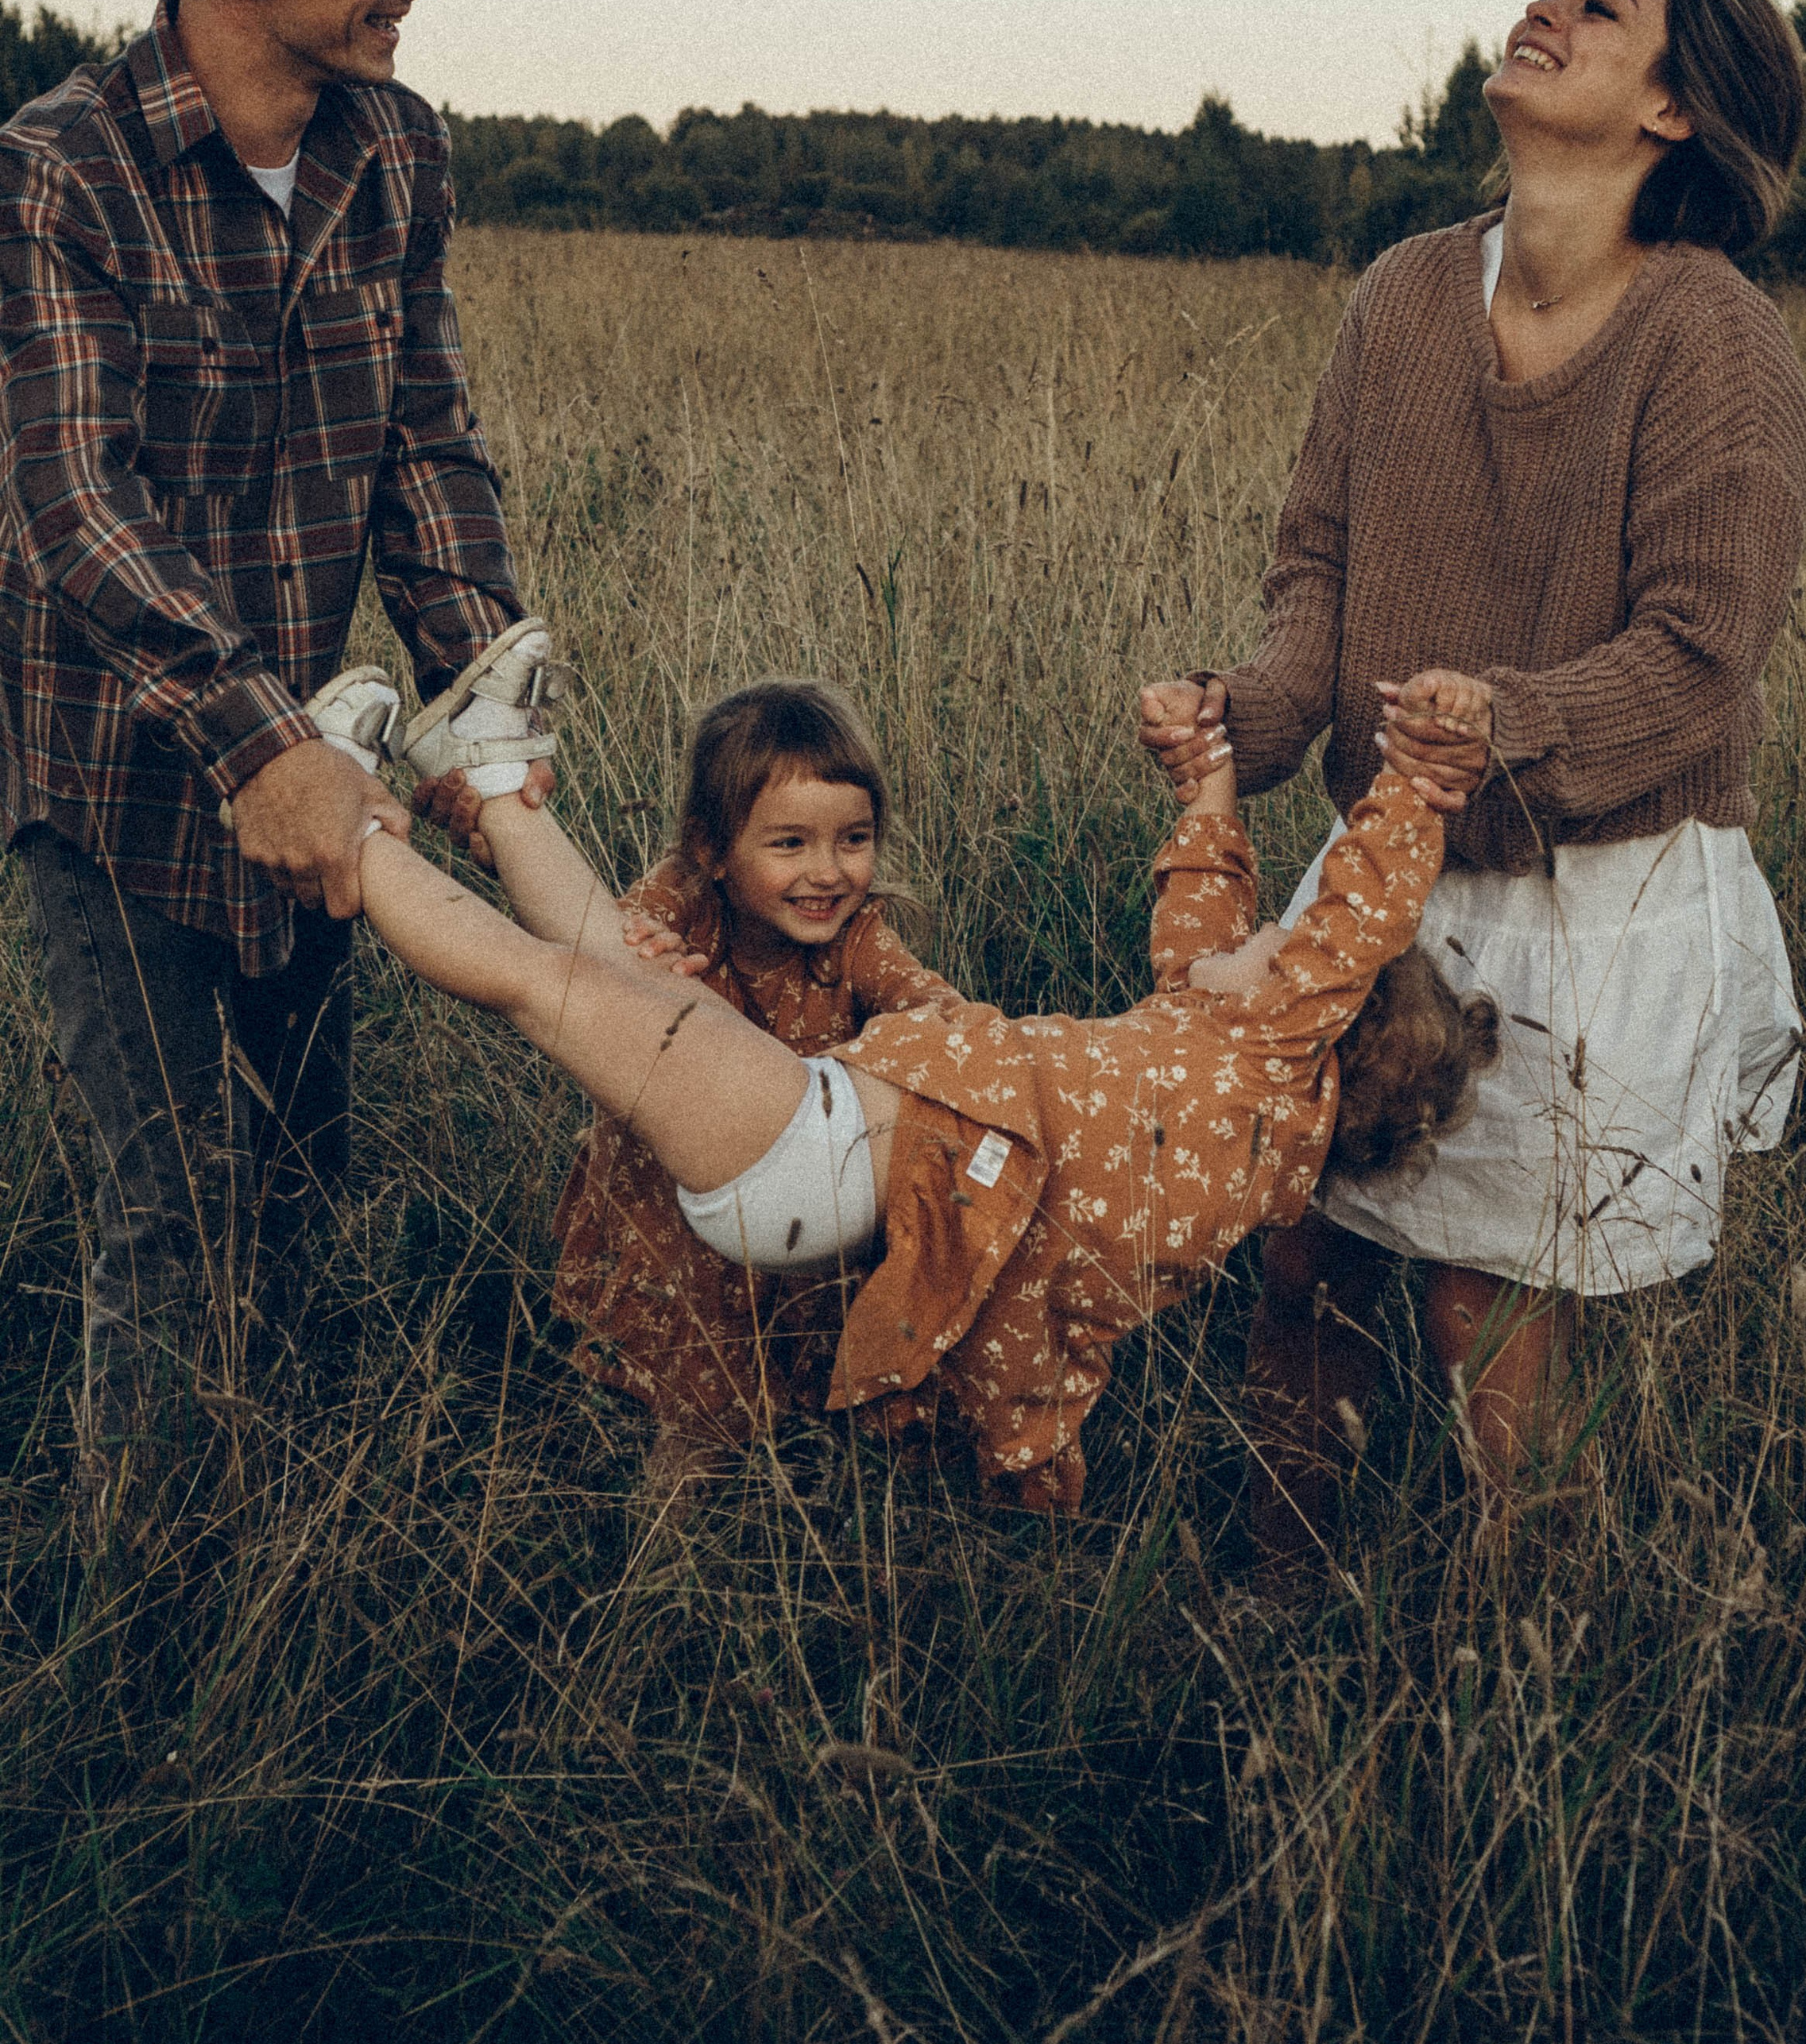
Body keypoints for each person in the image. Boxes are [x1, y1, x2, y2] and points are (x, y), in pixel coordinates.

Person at [1140, 0, 1806, 1578]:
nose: (1545, 11)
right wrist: (1253, 709)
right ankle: (1275, 1622)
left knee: (1480, 1305)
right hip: (1381, 880)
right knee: (1291, 1250)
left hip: (1593, 900)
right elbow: (1320, 570)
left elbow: (1699, 654)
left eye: (1601, 10)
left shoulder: (1707, 336)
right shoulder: (1404, 294)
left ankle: (1519, 1679)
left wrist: (1515, 722)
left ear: (1670, 105)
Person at [326, 637, 1495, 1517]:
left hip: (821, 1148)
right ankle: (481, 773)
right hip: (822, 1152)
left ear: (1323, 1014)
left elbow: (1358, 908)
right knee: (610, 981)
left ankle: (349, 826)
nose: (1265, 936)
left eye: (1284, 953)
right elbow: (1201, 919)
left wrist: (1419, 785)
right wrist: (1210, 786)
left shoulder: (1274, 1051)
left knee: (545, 986)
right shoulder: (1214, 1072)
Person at [0, 0, 543, 1478]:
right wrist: (262, 744)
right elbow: (73, 505)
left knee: (300, 1188)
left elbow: (422, 440)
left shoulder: (396, 153)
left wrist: (478, 689)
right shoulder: (57, 174)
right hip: (123, 786)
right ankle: (132, 1659)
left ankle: (281, 1567)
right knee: (176, 1228)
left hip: (330, 781)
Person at [549, 679, 964, 1508]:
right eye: (788, 845)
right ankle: (663, 1564)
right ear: (711, 849)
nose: (826, 873)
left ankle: (829, 1512)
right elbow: (613, 942)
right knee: (700, 1408)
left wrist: (909, 1045)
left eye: (854, 839)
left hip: (804, 1221)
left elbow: (936, 1010)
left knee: (825, 1391)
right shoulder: (679, 904)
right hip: (684, 1211)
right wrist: (651, 958)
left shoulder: (858, 938)